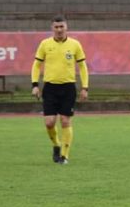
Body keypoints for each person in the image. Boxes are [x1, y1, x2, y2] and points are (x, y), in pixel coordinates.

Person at [31, 15, 89, 165]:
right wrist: (35, 85)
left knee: (65, 121)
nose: (59, 30)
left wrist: (85, 87)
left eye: (61, 26)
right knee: (49, 122)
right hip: (50, 87)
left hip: (68, 87)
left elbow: (82, 67)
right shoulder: (45, 44)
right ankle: (56, 145)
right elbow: (37, 65)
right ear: (52, 28)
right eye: (56, 27)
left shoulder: (75, 44)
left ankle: (64, 155)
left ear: (66, 27)